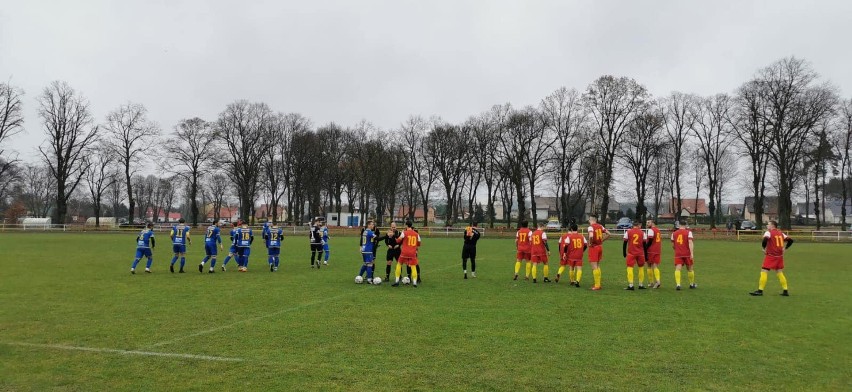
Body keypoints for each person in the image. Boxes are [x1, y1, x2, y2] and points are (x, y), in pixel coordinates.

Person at [750, 220, 793, 296]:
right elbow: (791, 241)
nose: (767, 226)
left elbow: (765, 240)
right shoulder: (781, 233)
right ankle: (785, 290)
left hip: (771, 256)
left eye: (768, 224)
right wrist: (785, 248)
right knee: (779, 272)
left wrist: (763, 248)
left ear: (773, 226)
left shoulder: (768, 232)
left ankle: (760, 291)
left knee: (764, 271)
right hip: (779, 257)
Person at [393, 220, 421, 287]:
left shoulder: (404, 232)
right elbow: (419, 243)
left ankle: (397, 281)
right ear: (411, 225)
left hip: (404, 252)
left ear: (406, 225)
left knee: (399, 264)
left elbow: (398, 240)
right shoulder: (417, 234)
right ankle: (414, 283)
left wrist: (395, 237)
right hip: (412, 253)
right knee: (413, 266)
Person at [557, 222, 586, 286]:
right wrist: (582, 250)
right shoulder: (582, 236)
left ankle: (572, 281)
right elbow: (586, 245)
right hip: (579, 255)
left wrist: (564, 253)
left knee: (571, 268)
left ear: (572, 229)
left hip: (571, 255)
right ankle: (577, 281)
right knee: (579, 268)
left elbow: (566, 246)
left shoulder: (569, 237)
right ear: (577, 229)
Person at [622, 220, 648, 290]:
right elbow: (644, 245)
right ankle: (641, 284)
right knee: (641, 268)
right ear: (639, 225)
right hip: (640, 253)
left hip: (631, 253)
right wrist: (646, 255)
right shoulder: (643, 233)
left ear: (633, 225)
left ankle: (631, 285)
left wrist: (624, 252)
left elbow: (625, 243)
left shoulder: (628, 232)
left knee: (630, 268)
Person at [587, 215, 610, 290]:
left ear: (591, 220)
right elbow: (609, 234)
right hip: (600, 247)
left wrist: (590, 243)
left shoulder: (591, 227)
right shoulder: (601, 226)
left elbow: (591, 236)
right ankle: (598, 283)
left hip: (594, 248)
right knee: (597, 265)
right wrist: (602, 240)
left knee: (594, 267)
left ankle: (597, 285)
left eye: (589, 220)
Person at [670, 222, 695, 290]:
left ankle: (678, 284)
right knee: (690, 269)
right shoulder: (688, 232)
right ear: (686, 225)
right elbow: (690, 242)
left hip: (678, 254)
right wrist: (692, 253)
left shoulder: (674, 233)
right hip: (687, 253)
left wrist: (677, 249)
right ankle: (691, 284)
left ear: (679, 225)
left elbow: (673, 245)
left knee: (678, 269)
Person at [645, 219, 662, 288]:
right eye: (646, 222)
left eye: (648, 222)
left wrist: (645, 248)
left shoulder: (651, 230)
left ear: (653, 223)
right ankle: (656, 281)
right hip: (657, 249)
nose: (647, 224)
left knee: (649, 265)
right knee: (655, 265)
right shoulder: (658, 230)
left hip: (651, 250)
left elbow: (650, 241)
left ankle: (653, 282)